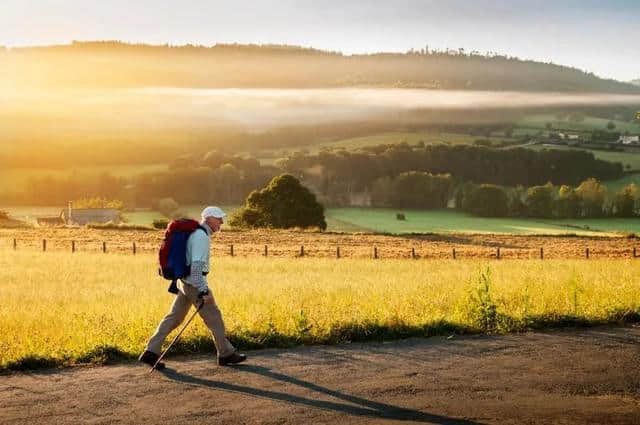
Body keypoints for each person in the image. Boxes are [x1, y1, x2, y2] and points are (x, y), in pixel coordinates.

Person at [139, 206, 246, 369]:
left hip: (183, 282)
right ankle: (226, 354)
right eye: (218, 218)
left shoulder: (195, 233)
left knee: (173, 318)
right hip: (194, 283)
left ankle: (150, 352)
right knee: (215, 319)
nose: (222, 222)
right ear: (209, 218)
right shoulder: (201, 237)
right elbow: (196, 269)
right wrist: (204, 291)